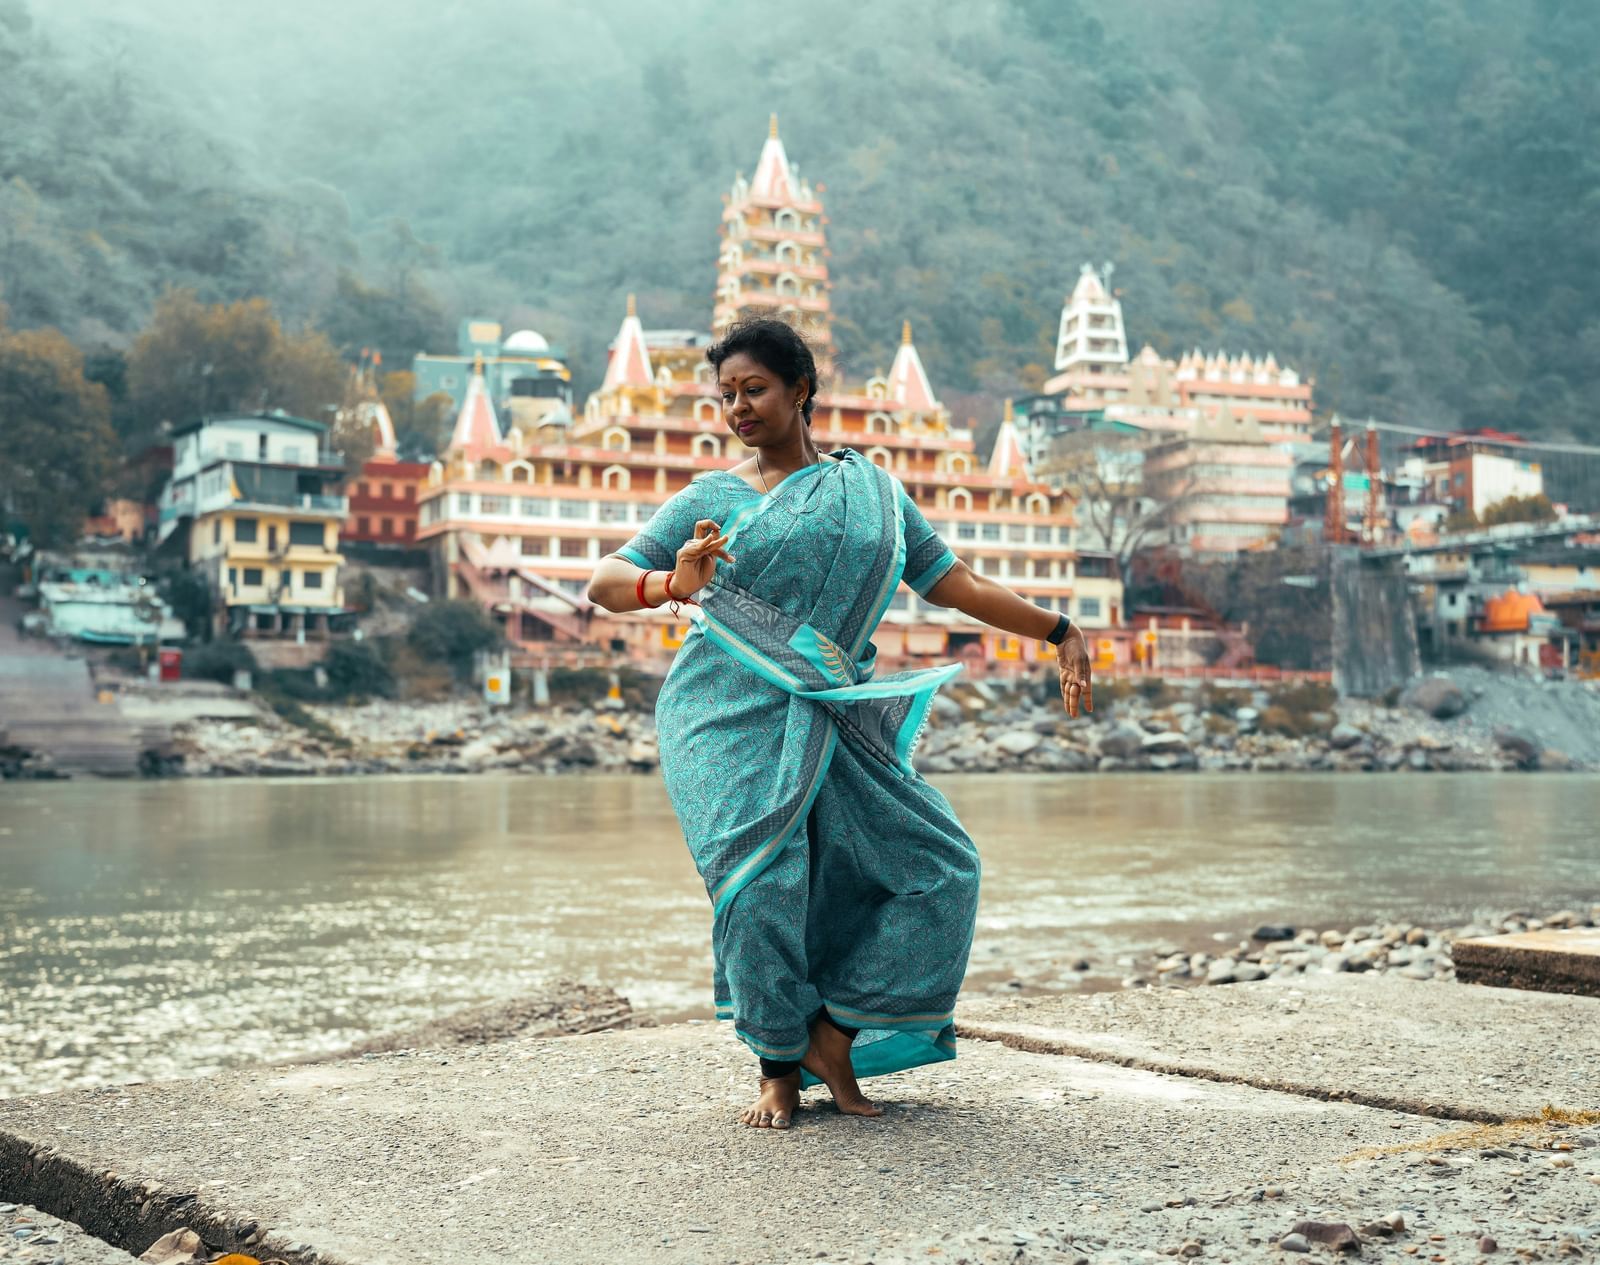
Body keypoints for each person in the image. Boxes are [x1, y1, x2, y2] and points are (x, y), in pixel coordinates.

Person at [587, 318, 1092, 1130]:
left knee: (940, 869)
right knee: (763, 884)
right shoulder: (711, 497)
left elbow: (953, 583)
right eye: (725, 396)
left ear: (802, 391)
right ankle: (777, 1066)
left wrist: (1058, 631)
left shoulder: (875, 493)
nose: (738, 407)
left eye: (753, 389)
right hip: (721, 711)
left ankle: (834, 1032)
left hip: (832, 709)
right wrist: (670, 581)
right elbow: (605, 583)